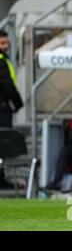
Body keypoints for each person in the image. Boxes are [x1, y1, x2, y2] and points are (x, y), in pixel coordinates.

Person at [0, 29, 23, 189]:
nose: (6, 46)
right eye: (2, 43)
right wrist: (18, 104)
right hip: (2, 111)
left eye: (7, 42)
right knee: (3, 146)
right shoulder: (1, 61)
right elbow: (8, 86)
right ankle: (1, 180)